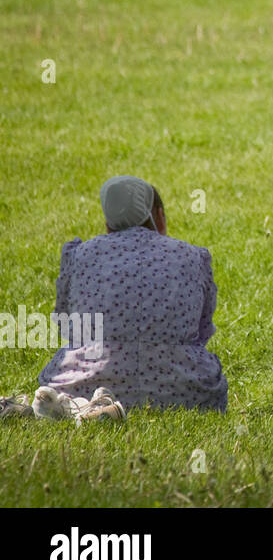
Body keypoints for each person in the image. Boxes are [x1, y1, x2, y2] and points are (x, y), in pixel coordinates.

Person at [37, 175, 229, 411]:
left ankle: (88, 408)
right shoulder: (192, 256)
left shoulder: (80, 255)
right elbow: (202, 330)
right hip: (186, 391)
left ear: (109, 221)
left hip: (82, 385)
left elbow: (67, 326)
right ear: (158, 215)